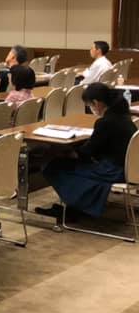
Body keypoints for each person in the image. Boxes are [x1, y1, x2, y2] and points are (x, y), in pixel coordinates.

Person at [37, 83, 136, 220]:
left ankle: (78, 208)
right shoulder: (126, 118)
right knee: (73, 164)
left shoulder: (105, 122)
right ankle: (82, 204)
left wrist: (68, 152)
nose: (91, 109)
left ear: (96, 103)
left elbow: (88, 152)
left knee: (54, 166)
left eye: (90, 105)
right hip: (130, 170)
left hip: (112, 171)